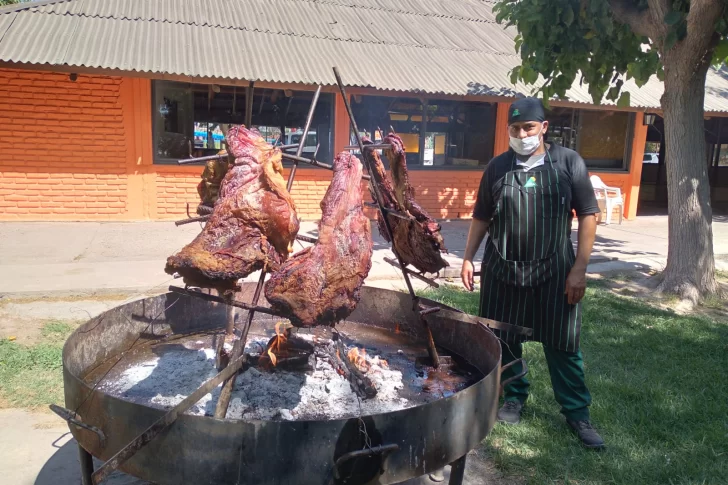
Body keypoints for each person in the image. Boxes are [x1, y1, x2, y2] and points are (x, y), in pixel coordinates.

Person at [460, 97, 604, 449]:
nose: (522, 134)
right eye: (515, 128)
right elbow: (482, 216)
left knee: (563, 343)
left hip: (555, 271)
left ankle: (577, 413)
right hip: (502, 271)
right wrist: (467, 257)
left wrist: (580, 269)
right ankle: (514, 396)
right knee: (503, 339)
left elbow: (588, 214)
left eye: (528, 127)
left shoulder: (568, 163)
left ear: (544, 127)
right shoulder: (497, 167)